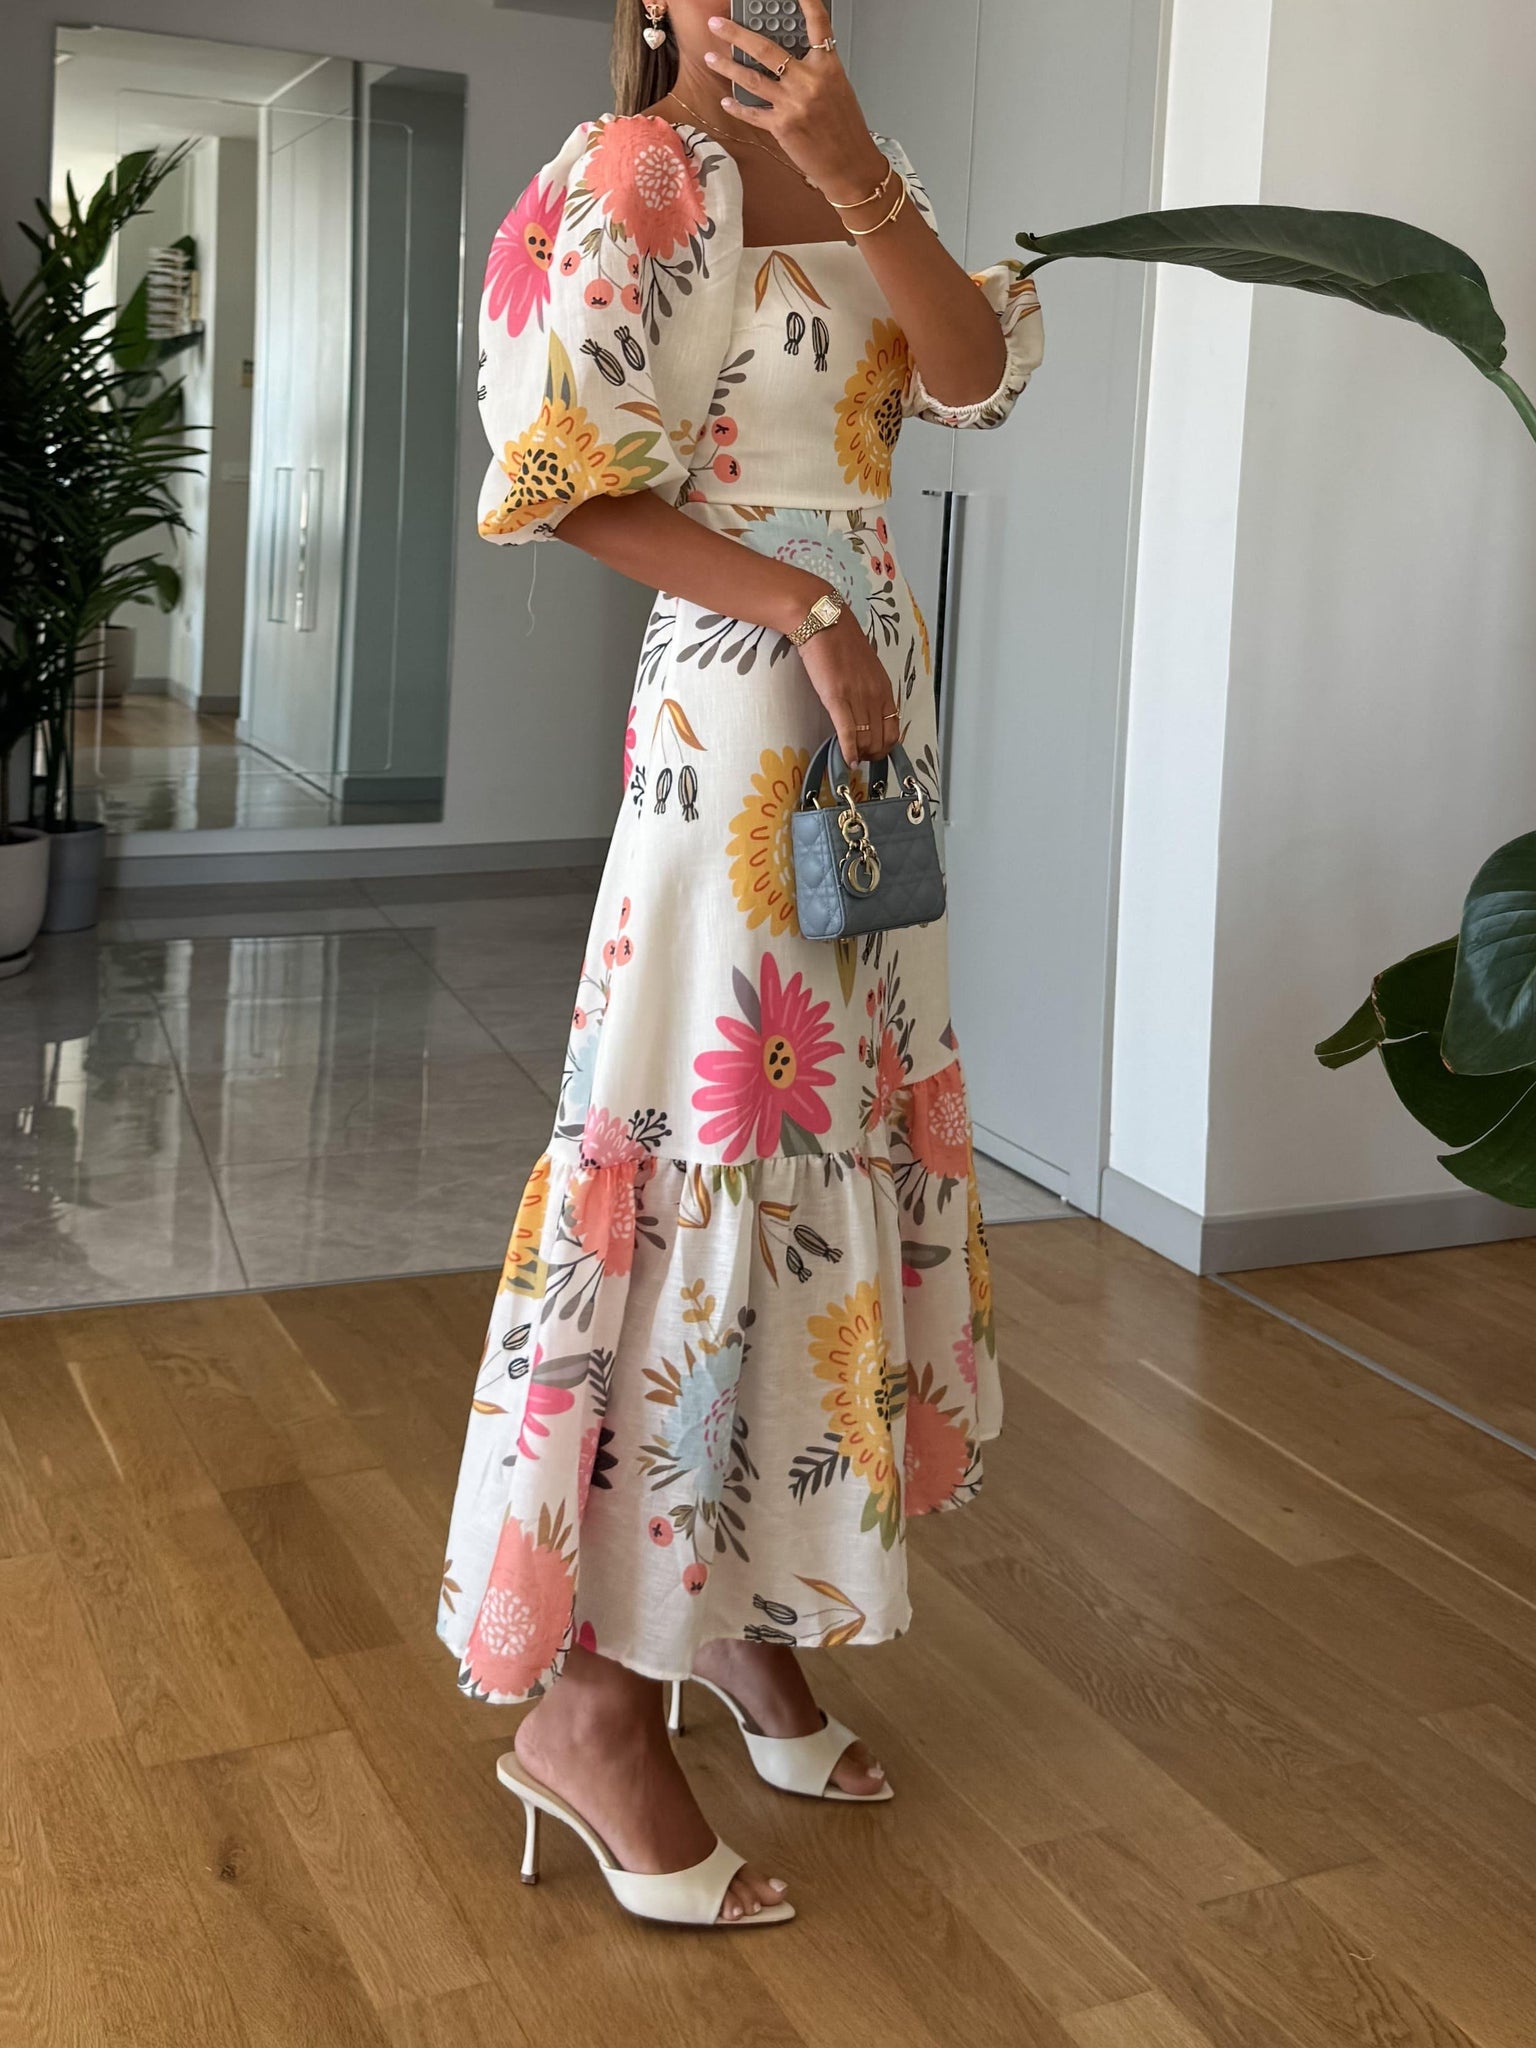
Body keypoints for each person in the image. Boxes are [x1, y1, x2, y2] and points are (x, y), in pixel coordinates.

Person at [438, 0, 1043, 1929]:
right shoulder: (639, 172)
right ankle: (592, 1709)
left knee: (824, 1152)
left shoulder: (863, 165)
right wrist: (801, 603)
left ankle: (742, 1625)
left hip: (865, 716)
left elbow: (972, 380)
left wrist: (861, 177)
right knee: (708, 1153)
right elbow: (562, 475)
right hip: (741, 712)